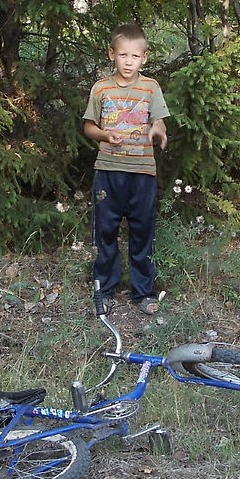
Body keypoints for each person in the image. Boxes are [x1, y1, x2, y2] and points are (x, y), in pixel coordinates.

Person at [83, 23, 170, 315]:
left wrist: (159, 130)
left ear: (144, 57)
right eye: (123, 55)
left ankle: (143, 293)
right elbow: (89, 127)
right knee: (105, 232)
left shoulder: (150, 87)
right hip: (108, 171)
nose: (129, 61)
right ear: (112, 54)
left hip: (142, 172)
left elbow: (159, 120)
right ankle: (104, 290)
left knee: (142, 232)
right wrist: (106, 135)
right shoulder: (101, 88)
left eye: (135, 56)